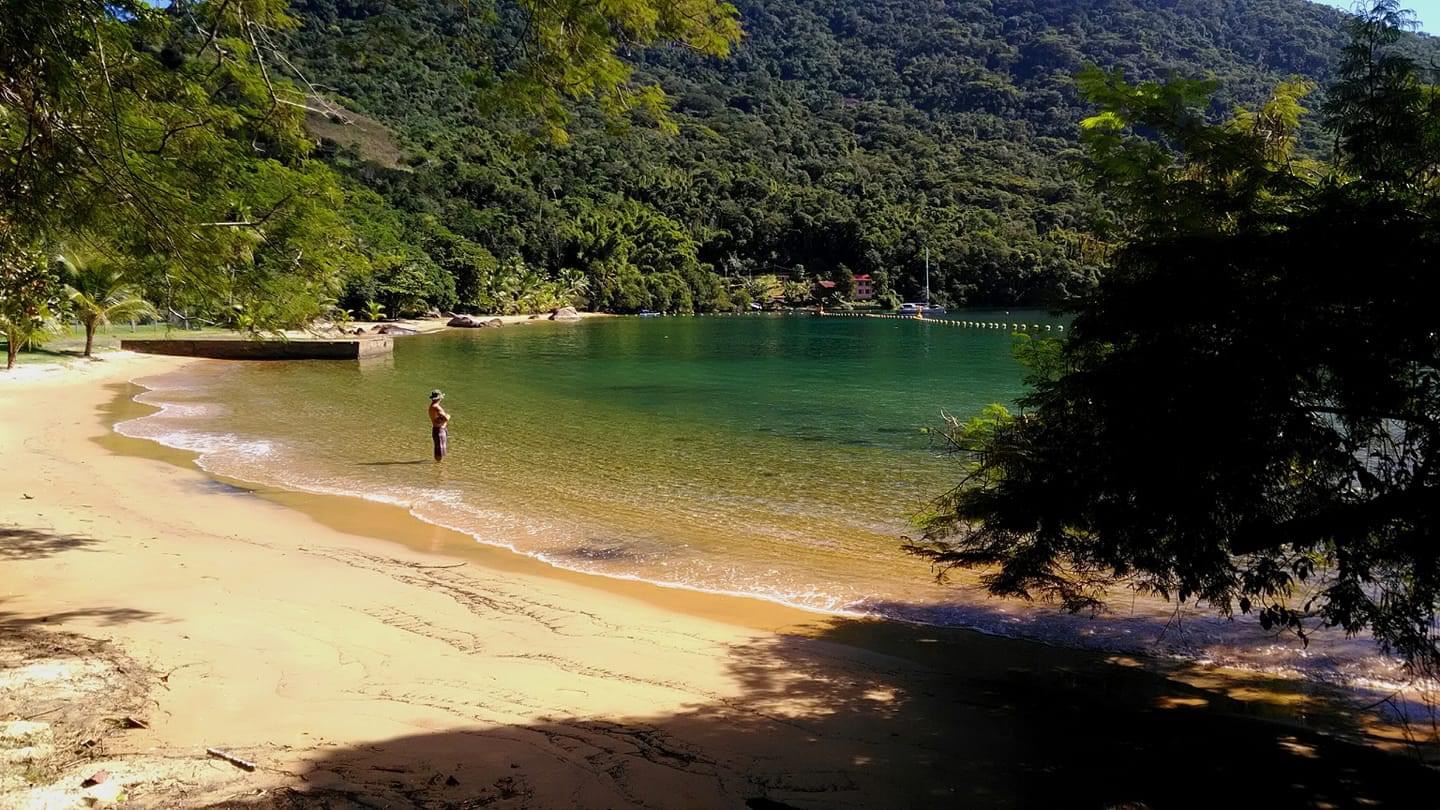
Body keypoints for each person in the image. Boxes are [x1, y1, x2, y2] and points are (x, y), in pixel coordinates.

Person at [428, 389, 450, 462]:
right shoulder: (436, 407)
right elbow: (446, 418)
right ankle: (439, 470)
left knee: (438, 450)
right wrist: (448, 416)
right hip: (439, 430)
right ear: (439, 398)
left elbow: (438, 419)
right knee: (440, 453)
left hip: (436, 429)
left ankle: (438, 468)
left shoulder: (432, 406)